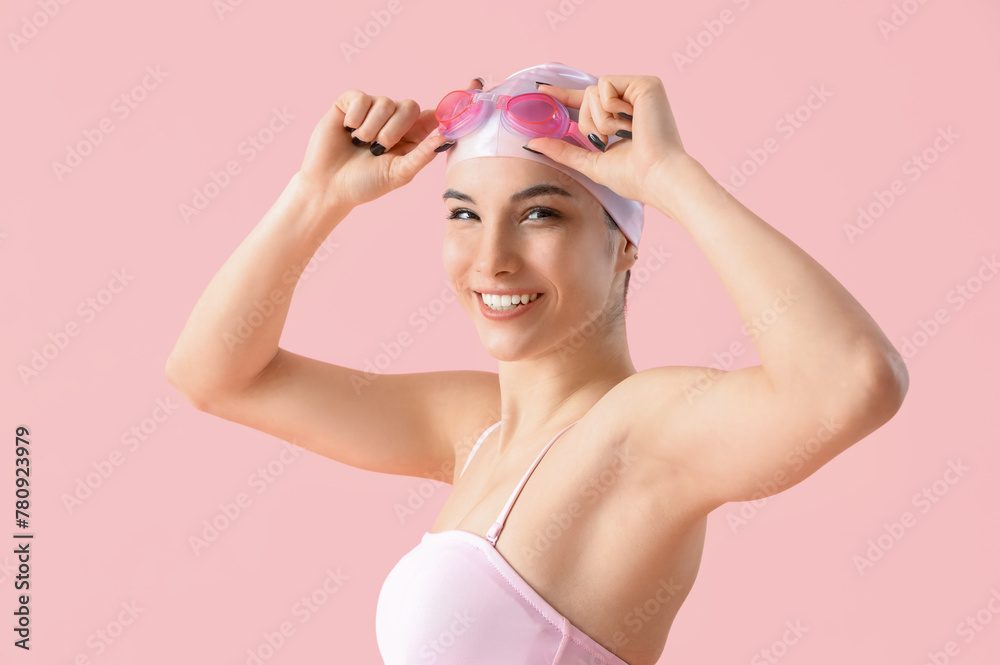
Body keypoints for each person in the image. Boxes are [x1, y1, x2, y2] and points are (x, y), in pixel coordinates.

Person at [165, 62, 909, 665]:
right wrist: (315, 195)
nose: (491, 260)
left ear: (623, 240)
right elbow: (216, 374)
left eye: (539, 213)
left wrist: (673, 178)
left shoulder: (644, 431)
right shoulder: (476, 430)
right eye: (464, 213)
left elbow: (853, 380)